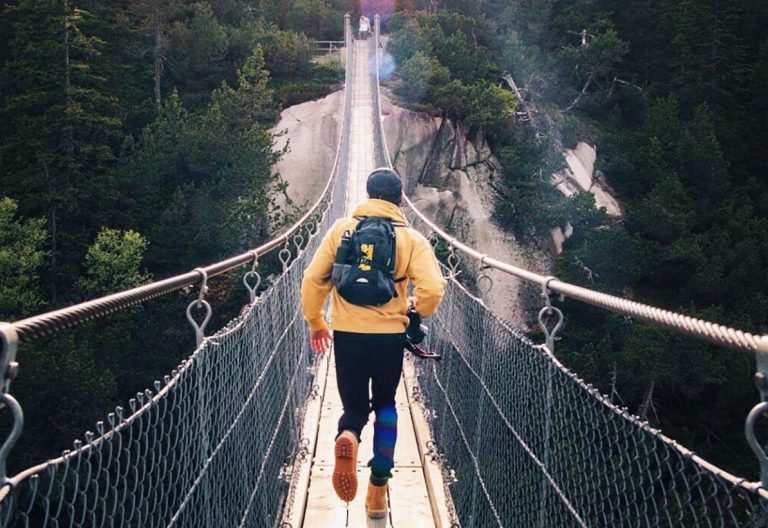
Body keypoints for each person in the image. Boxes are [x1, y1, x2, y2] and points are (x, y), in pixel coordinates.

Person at [301, 167, 445, 519]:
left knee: (354, 406)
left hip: (347, 335)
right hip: (388, 339)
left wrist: (316, 321)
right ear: (399, 199)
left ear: (367, 196)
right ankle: (377, 489)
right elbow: (433, 290)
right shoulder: (411, 239)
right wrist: (414, 309)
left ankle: (348, 433)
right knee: (385, 407)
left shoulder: (341, 230)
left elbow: (312, 279)